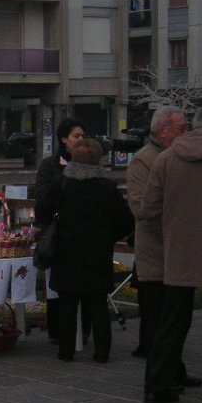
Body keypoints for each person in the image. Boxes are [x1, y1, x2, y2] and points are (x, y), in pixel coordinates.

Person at [141, 104, 202, 403]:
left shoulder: (167, 159)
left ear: (193, 126)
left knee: (170, 324)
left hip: (178, 254)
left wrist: (171, 233)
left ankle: (156, 388)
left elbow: (149, 211)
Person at [35, 139, 134, 363]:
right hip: (98, 250)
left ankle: (66, 351)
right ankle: (102, 353)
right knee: (98, 302)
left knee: (68, 303)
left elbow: (41, 212)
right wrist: (109, 236)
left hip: (66, 250)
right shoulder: (106, 187)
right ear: (98, 159)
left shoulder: (62, 183)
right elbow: (127, 221)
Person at [126, 106, 202, 389]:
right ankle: (163, 379)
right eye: (181, 128)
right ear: (163, 131)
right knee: (161, 322)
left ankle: (175, 372)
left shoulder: (178, 157)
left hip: (179, 255)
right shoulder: (144, 161)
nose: (186, 133)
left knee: (178, 321)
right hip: (156, 255)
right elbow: (140, 207)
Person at [35, 118, 86, 343]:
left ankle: (84, 330)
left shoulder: (90, 162)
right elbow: (43, 198)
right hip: (58, 232)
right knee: (57, 286)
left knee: (85, 287)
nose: (81, 140)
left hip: (84, 233)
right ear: (64, 139)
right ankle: (58, 332)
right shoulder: (50, 165)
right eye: (76, 136)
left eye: (83, 136)